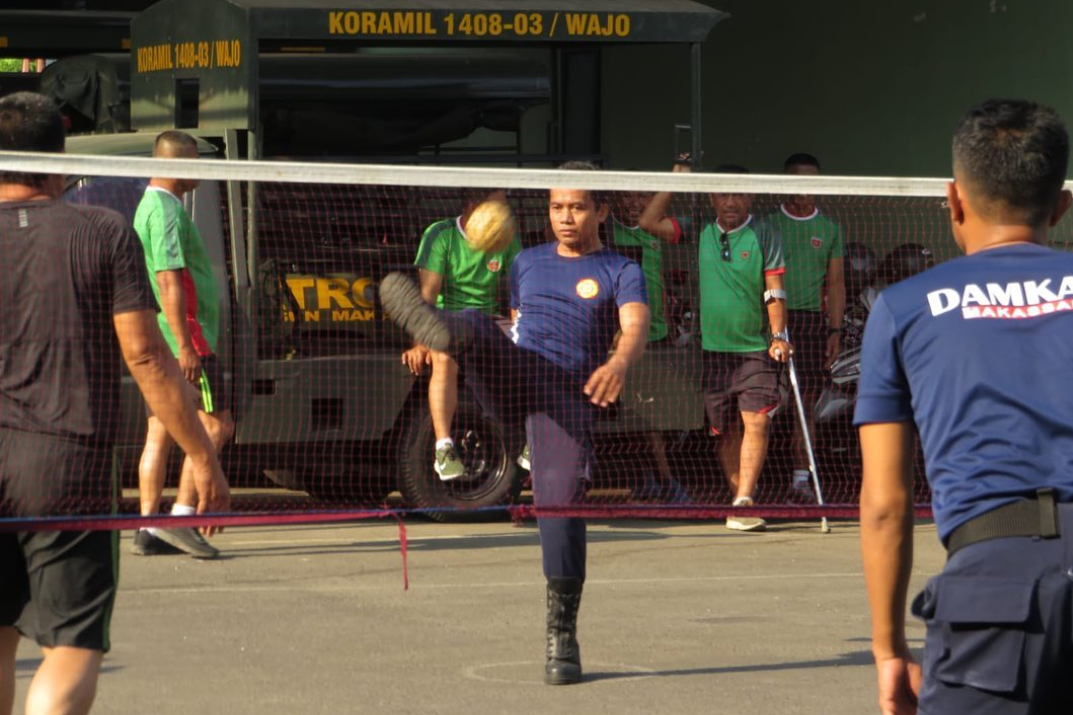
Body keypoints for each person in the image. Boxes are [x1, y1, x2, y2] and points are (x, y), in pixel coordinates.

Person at [0, 92, 229, 715]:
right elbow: (147, 357)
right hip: (66, 464)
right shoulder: (102, 231)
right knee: (71, 646)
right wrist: (202, 454)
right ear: (58, 160)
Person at [379, 161, 650, 685]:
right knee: (477, 324)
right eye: (556, 207)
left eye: (576, 207)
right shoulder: (526, 261)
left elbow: (634, 326)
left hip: (568, 400)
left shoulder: (621, 269)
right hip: (515, 377)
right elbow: (520, 323)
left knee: (559, 510)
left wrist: (619, 361)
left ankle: (561, 635)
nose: (565, 217)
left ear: (601, 211)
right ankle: (441, 330)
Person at [858, 98, 1073, 714]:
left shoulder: (902, 308)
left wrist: (888, 649)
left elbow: (885, 504)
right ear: (1061, 205)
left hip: (995, 590)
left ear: (953, 201)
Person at [643, 164, 790, 530]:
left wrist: (778, 336)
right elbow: (648, 221)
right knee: (725, 432)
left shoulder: (765, 233)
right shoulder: (698, 230)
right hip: (712, 352)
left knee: (756, 422)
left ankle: (745, 498)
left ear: (750, 196)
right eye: (723, 194)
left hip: (756, 349)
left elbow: (774, 289)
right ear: (711, 197)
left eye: (738, 193)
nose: (731, 201)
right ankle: (740, 501)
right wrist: (676, 180)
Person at [130, 131, 234, 559]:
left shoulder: (150, 205)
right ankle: (182, 519)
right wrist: (187, 344)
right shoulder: (166, 211)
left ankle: (148, 527)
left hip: (168, 335)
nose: (201, 171)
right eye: (195, 162)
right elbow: (169, 279)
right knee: (216, 425)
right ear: (175, 164)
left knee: (159, 430)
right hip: (187, 337)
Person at [403, 189, 520, 480]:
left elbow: (518, 293)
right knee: (444, 357)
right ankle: (444, 449)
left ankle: (531, 439)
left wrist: (522, 333)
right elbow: (427, 297)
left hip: (488, 321)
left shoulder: (506, 235)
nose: (505, 212)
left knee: (534, 353)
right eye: (499, 205)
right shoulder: (440, 235)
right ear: (473, 206)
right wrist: (419, 343)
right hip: (448, 320)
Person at [759, 153, 845, 501]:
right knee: (758, 404)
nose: (804, 186)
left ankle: (800, 480)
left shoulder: (830, 229)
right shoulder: (766, 225)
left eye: (811, 179)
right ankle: (751, 484)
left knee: (804, 402)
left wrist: (835, 330)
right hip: (765, 318)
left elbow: (835, 284)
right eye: (797, 178)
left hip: (809, 323)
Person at [610, 181, 689, 503]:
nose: (633, 202)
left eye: (641, 195)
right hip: (625, 339)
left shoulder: (655, 231)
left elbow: (658, 283)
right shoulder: (605, 232)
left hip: (658, 335)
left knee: (655, 413)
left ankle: (648, 479)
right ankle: (665, 481)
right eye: (626, 195)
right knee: (643, 413)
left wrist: (669, 327)